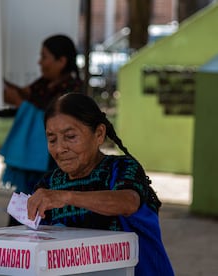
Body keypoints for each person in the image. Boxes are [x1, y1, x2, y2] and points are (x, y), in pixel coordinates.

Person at [27, 93, 174, 275]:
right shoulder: (48, 184)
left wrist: (66, 196)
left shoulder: (121, 168)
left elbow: (128, 202)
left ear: (99, 134)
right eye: (52, 139)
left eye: (70, 136)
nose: (60, 148)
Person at [0, 34, 83, 226]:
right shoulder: (43, 84)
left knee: (46, 218)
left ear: (61, 61)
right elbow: (23, 94)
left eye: (44, 57)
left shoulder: (72, 90)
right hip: (32, 168)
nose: (40, 62)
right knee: (21, 218)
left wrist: (21, 103)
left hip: (53, 166)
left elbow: (54, 118)